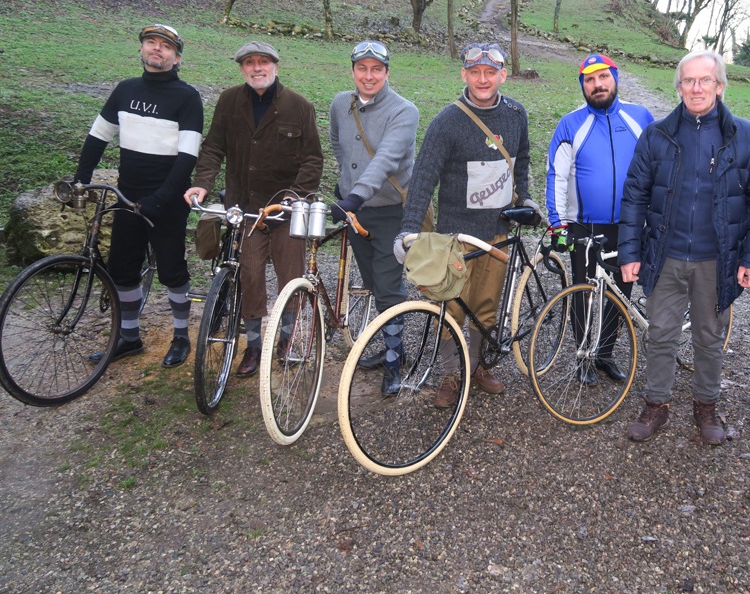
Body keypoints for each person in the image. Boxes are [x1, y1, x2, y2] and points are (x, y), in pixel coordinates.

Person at [618, 50, 750, 445]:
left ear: (720, 86)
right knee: (661, 334)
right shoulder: (657, 135)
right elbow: (634, 196)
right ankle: (657, 404)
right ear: (679, 87)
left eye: (705, 80)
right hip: (664, 254)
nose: (697, 87)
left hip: (716, 259)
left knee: (709, 336)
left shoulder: (747, 137)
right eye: (689, 80)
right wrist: (630, 251)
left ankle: (706, 406)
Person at [393, 42, 538, 406]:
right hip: (456, 234)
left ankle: (477, 367)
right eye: (476, 72)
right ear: (464, 75)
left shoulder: (516, 114)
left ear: (503, 75)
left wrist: (527, 199)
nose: (483, 79)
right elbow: (423, 178)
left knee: (487, 305)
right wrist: (408, 229)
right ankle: (449, 374)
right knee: (451, 306)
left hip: (499, 231)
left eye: (491, 72)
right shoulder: (447, 121)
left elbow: (520, 165)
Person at [185, 41, 323, 378]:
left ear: (276, 66)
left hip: (284, 212)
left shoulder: (299, 106)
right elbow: (214, 146)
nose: (257, 68)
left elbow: (312, 159)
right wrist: (202, 181)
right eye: (249, 63)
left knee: (291, 277)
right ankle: (254, 343)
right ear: (242, 68)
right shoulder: (230, 101)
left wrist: (295, 194)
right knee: (249, 275)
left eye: (263, 62)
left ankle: (287, 338)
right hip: (245, 209)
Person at [74, 23, 203, 368]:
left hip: (167, 198)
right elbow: (98, 135)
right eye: (150, 42)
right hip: (127, 194)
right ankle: (128, 337)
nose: (156, 48)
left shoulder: (187, 97)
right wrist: (80, 179)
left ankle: (180, 337)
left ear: (177, 57)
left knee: (172, 269)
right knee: (122, 268)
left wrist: (162, 198)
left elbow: (188, 156)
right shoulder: (125, 89)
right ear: (142, 49)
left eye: (165, 45)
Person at [545, 53, 654, 384]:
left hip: (630, 225)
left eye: (603, 77)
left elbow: (659, 169)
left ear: (615, 78)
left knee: (621, 291)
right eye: (589, 80)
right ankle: (582, 357)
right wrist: (557, 223)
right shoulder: (571, 123)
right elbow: (556, 176)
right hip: (584, 226)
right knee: (583, 291)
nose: (597, 85)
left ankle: (605, 353)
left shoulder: (641, 118)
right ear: (582, 86)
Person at [329, 40, 420, 396]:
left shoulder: (404, 111)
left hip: (388, 211)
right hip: (355, 210)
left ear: (387, 73)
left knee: (388, 285)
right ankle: (391, 344)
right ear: (353, 70)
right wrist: (345, 186)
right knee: (371, 280)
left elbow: (386, 159)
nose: (369, 76)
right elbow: (338, 144)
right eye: (362, 69)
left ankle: (395, 360)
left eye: (376, 69)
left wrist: (355, 195)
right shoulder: (341, 103)